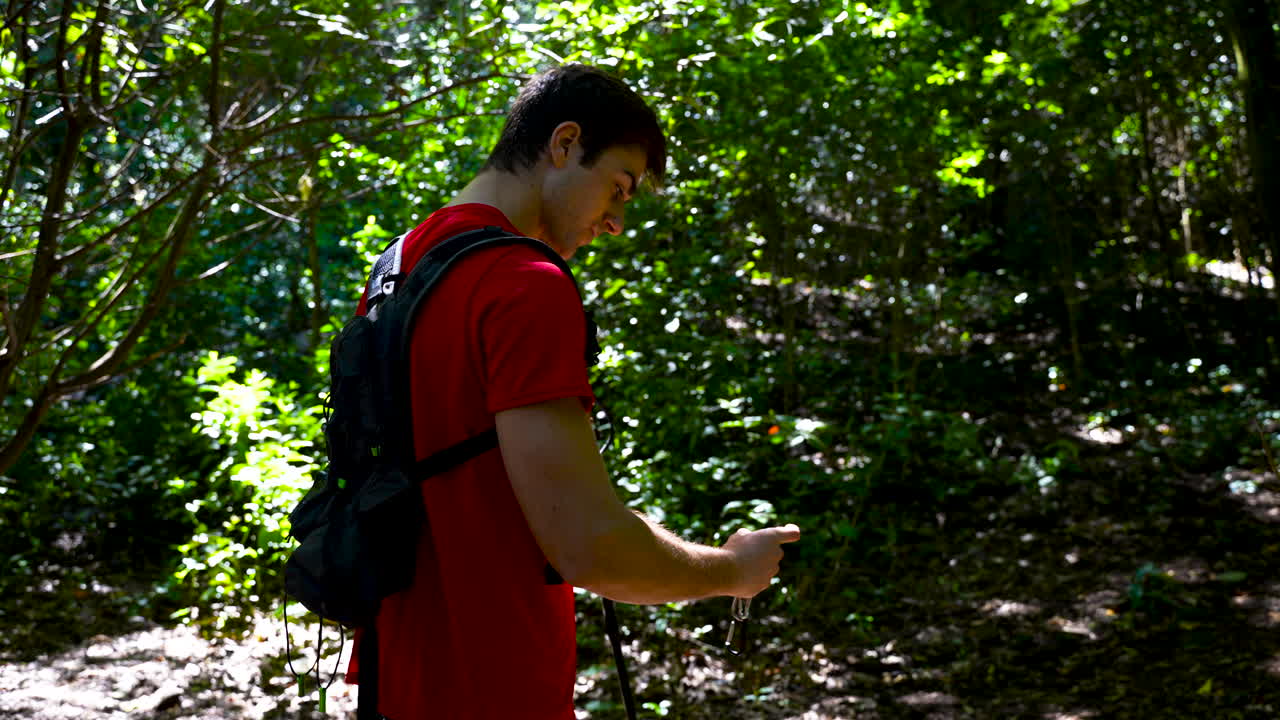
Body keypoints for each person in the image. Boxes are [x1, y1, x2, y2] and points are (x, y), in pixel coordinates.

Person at [346, 63, 801, 720]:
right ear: (564, 144)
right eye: (617, 189)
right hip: (494, 685)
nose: (615, 221)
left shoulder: (399, 264)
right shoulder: (525, 283)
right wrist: (731, 568)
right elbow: (588, 544)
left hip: (396, 678)